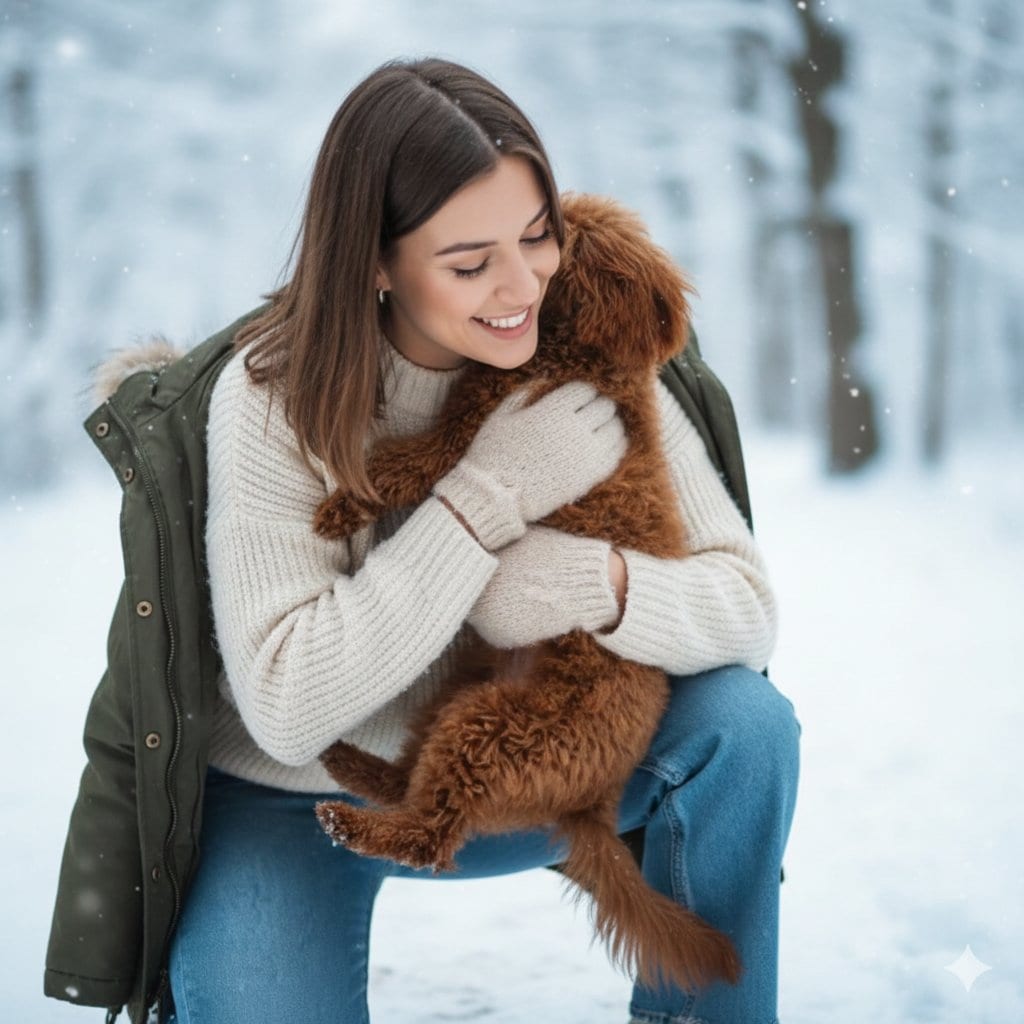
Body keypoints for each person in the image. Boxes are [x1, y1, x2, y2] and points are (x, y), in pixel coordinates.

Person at [168, 57, 800, 1024]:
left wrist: (598, 583)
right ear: (375, 261)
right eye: (469, 264)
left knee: (747, 731)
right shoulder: (268, 400)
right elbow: (288, 709)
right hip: (300, 799)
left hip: (537, 765)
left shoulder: (587, 342)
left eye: (537, 237)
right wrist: (481, 500)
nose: (522, 289)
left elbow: (748, 613)